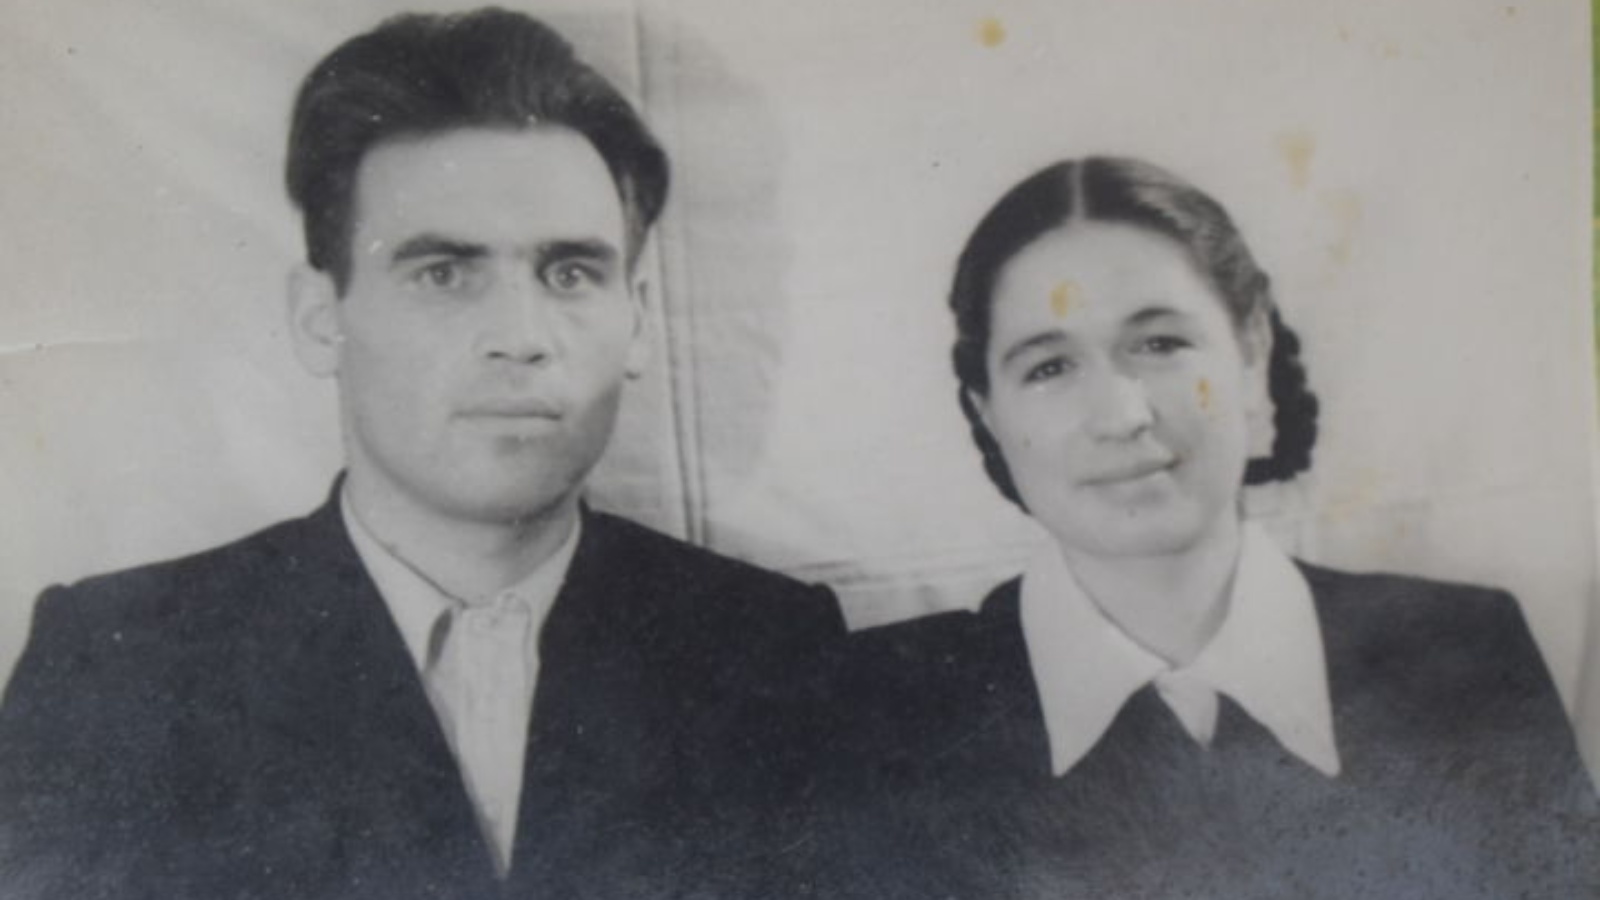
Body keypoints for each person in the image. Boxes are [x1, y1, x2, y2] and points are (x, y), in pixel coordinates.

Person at [0, 9, 844, 900]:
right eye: (443, 273)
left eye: (569, 274)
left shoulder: (772, 648)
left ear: (635, 320)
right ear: (319, 319)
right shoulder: (117, 667)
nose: (519, 337)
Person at [830, 156, 1600, 898]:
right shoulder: (881, 713)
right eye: (1049, 367)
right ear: (987, 413)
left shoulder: (1462, 653)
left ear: (1251, 351)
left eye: (1160, 344)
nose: (1122, 415)